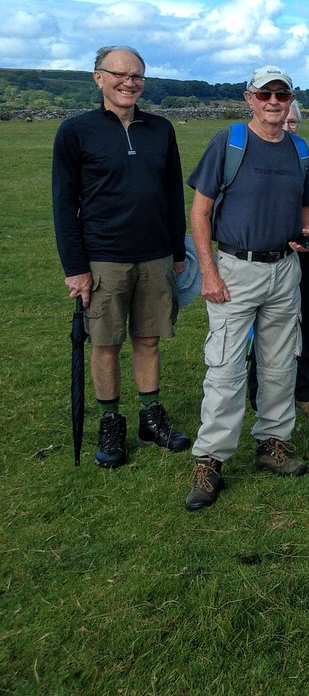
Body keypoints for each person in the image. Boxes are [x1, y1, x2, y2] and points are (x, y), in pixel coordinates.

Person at [184, 65, 309, 511]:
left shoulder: (299, 149)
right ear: (249, 98)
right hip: (234, 269)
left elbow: (307, 206)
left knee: (280, 363)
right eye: (266, 95)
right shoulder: (230, 142)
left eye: (282, 94)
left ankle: (272, 445)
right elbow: (200, 212)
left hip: (284, 270)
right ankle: (210, 460)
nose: (274, 102)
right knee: (225, 368)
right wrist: (208, 272)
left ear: (290, 99)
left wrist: (307, 233)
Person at [51, 45, 190, 468]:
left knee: (148, 340)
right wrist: (75, 267)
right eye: (120, 74)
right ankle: (110, 422)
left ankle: (151, 417)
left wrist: (177, 252)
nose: (129, 82)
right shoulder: (76, 132)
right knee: (106, 344)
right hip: (103, 258)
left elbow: (172, 194)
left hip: (155, 255)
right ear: (98, 77)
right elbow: (63, 202)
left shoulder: (160, 129)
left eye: (137, 76)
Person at [248, 103, 309, 419]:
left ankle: (308, 392)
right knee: (267, 327)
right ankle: (260, 391)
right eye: (284, 121)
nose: (288, 127)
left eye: (293, 122)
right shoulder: (253, 157)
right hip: (269, 256)